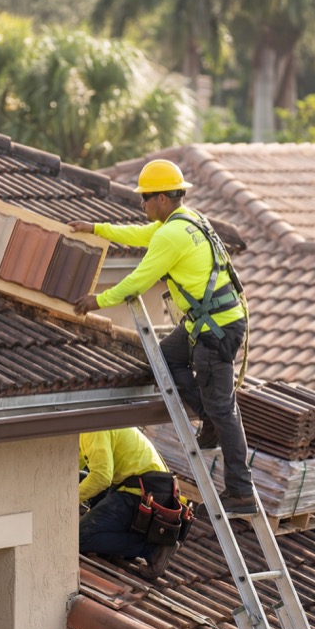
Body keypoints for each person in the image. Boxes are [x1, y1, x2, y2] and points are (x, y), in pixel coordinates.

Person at [69, 159, 257, 516]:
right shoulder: (188, 221)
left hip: (214, 330)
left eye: (146, 198)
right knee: (167, 358)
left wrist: (98, 301)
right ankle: (210, 423)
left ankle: (240, 489)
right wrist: (97, 228)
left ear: (163, 199)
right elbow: (141, 235)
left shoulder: (171, 235)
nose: (142, 205)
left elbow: (138, 281)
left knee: (224, 408)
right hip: (208, 323)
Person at [78, 427, 181, 580]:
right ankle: (118, 542)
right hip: (147, 488)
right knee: (87, 482)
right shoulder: (85, 430)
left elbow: (101, 477)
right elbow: (73, 466)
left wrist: (68, 500)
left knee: (80, 537)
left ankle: (154, 549)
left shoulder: (91, 427)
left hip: (143, 493)